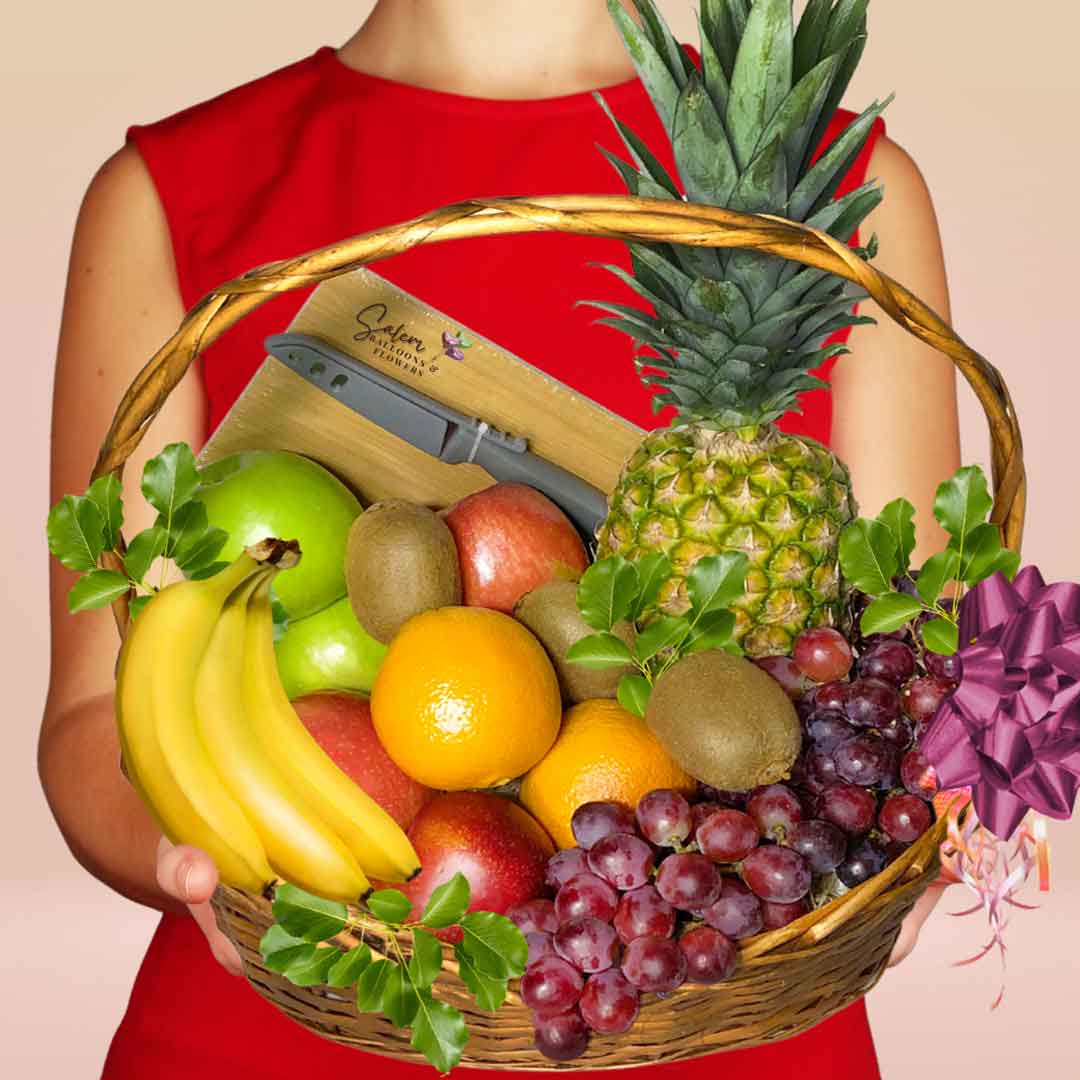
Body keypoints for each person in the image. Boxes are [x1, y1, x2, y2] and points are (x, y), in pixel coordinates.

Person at [42, 1, 960, 1077]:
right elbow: (96, 714)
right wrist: (197, 859)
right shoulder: (171, 192)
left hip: (712, 1020)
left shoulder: (842, 183)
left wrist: (932, 831)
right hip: (289, 1029)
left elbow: (920, 671)